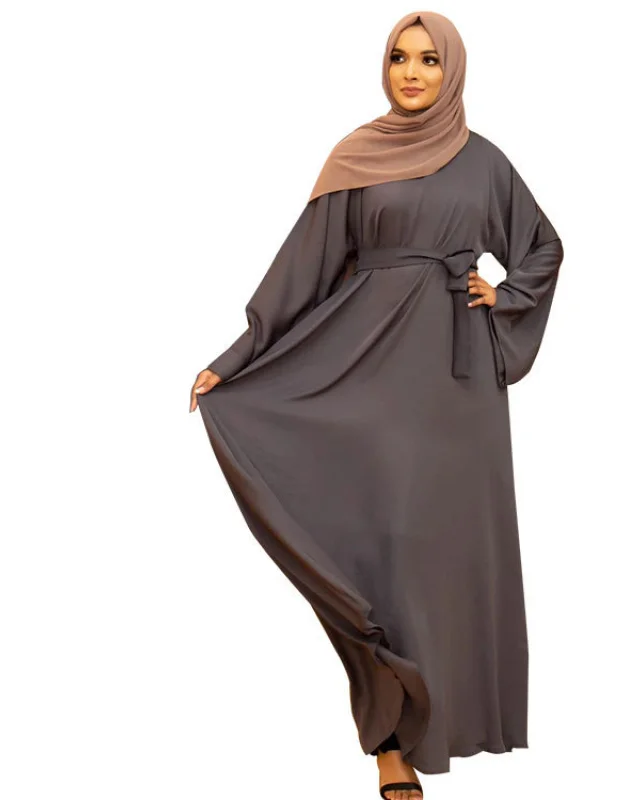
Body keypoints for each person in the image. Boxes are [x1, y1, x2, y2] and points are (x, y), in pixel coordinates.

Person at [189, 10, 563, 799]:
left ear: (452, 70)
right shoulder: (356, 157)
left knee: (444, 553)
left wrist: (502, 296)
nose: (413, 73)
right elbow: (304, 270)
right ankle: (391, 735)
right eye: (400, 57)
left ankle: (450, 723)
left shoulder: (484, 162)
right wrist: (238, 359)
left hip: (457, 387)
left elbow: (543, 245)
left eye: (430, 59)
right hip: (366, 372)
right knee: (382, 550)